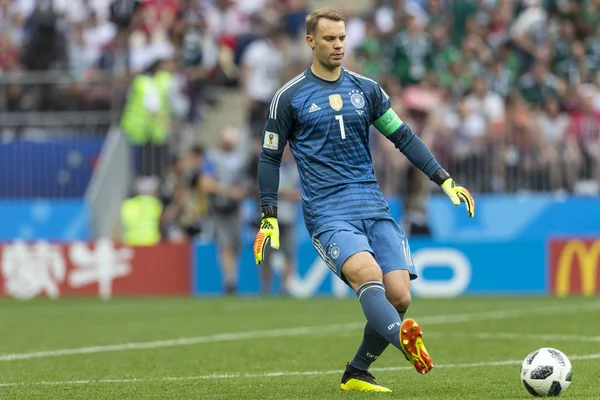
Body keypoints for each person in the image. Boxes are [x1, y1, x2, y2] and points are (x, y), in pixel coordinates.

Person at [253, 8, 475, 393]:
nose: (338, 45)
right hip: (328, 211)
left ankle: (357, 371)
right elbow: (270, 157)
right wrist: (269, 214)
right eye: (329, 39)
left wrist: (444, 179)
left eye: (341, 38)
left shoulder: (366, 90)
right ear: (310, 42)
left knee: (400, 295)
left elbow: (403, 137)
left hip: (373, 204)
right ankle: (402, 337)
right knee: (366, 276)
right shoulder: (288, 98)